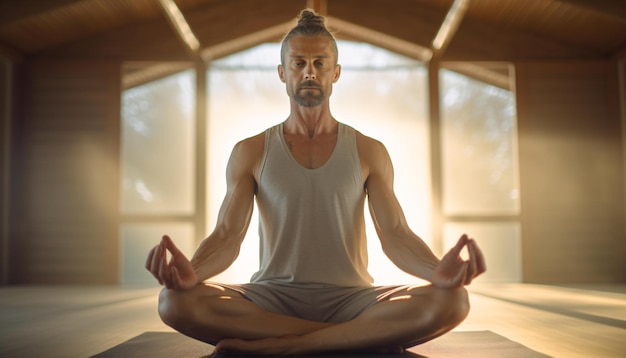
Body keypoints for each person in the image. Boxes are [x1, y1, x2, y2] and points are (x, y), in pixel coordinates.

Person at [146, 9, 486, 356]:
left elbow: (395, 234)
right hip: (271, 298)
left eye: (320, 63)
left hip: (352, 298)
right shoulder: (250, 151)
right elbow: (226, 236)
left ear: (335, 73)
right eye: (298, 63)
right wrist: (193, 272)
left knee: (452, 300)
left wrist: (437, 272)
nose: (309, 71)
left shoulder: (369, 150)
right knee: (174, 302)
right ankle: (350, 339)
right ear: (282, 73)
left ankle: (286, 346)